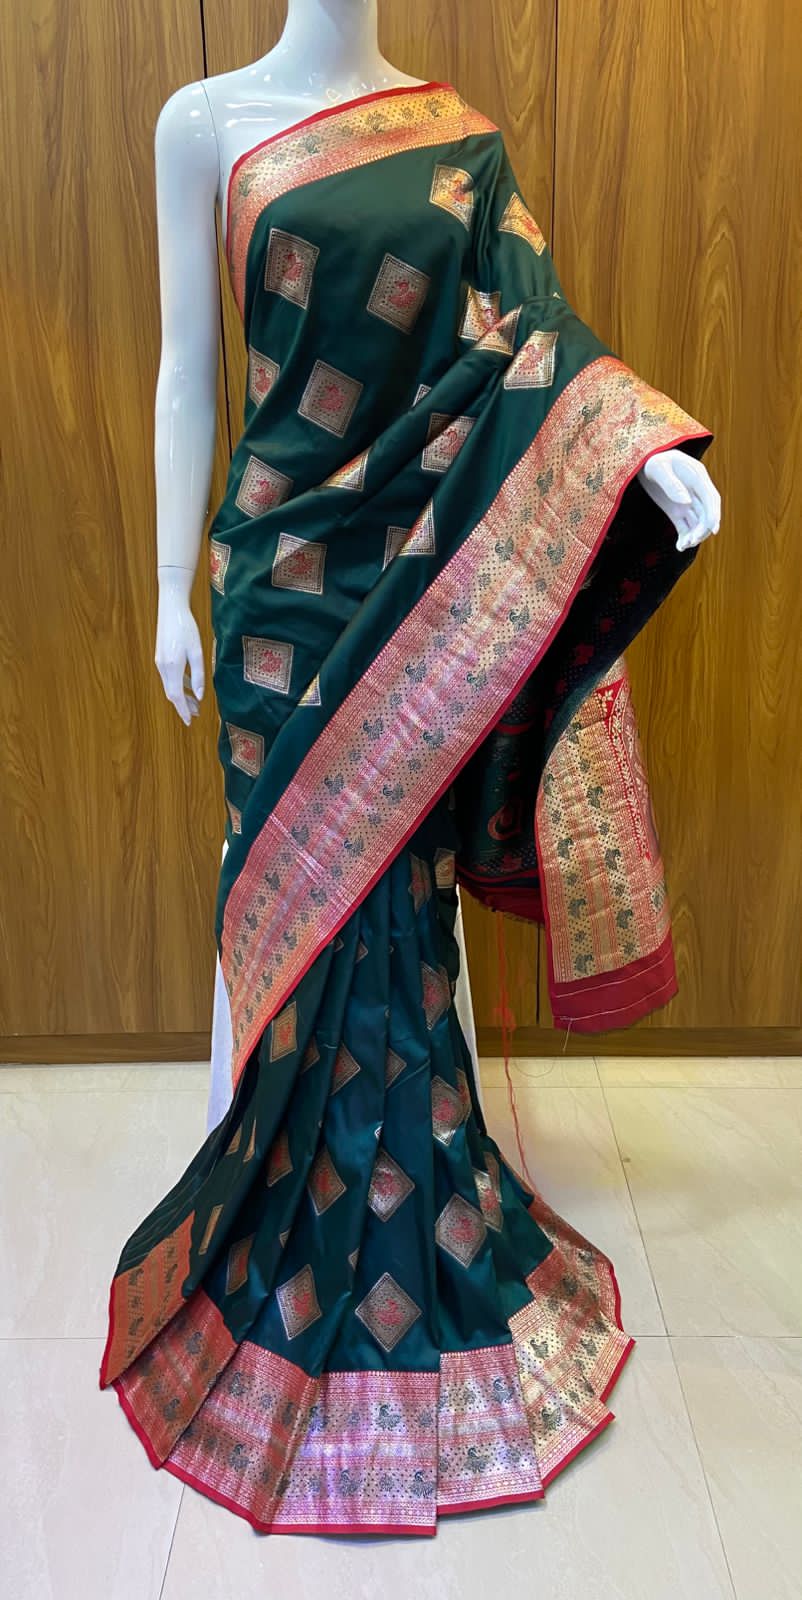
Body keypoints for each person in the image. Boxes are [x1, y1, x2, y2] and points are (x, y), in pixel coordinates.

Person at [99, 77, 717, 1536]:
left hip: (422, 582)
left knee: (397, 918)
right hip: (277, 580)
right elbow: (188, 370)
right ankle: (265, 1205)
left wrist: (634, 454)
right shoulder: (203, 123)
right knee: (284, 904)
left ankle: (409, 1214)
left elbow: (538, 349)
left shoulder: (462, 140)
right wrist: (169, 590)